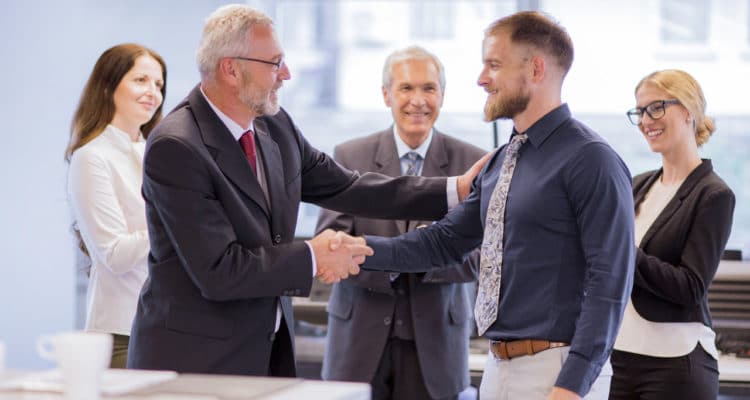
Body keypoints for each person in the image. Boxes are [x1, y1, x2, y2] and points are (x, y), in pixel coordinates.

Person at [126, 4, 485, 377]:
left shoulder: (274, 125)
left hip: (263, 354)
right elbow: (221, 271)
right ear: (231, 69)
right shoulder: (177, 146)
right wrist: (314, 256)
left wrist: (453, 189)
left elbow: (348, 186)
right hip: (191, 365)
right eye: (275, 62)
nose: (286, 74)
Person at [358, 11, 635, 400]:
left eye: (494, 65)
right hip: (498, 367)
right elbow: (443, 241)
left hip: (557, 372)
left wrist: (572, 385)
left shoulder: (591, 160)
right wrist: (357, 252)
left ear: (536, 68)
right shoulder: (505, 158)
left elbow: (609, 282)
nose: (481, 78)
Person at [317, 46, 486, 400]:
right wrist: (395, 261)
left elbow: (480, 256)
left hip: (436, 342)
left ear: (442, 95)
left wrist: (421, 259)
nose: (418, 101)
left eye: (429, 88)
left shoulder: (471, 162)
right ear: (386, 95)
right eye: (406, 88)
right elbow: (330, 241)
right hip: (358, 337)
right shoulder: (351, 156)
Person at [609, 70, 736, 400]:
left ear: (688, 111)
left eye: (656, 107)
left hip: (674, 364)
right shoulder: (637, 184)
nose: (645, 120)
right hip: (618, 357)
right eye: (639, 111)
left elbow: (690, 287)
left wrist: (625, 251)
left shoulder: (713, 194)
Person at [65, 43, 167, 368]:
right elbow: (114, 254)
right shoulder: (92, 157)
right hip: (123, 333)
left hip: (172, 327)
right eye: (141, 80)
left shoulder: (159, 153)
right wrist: (176, 220)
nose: (152, 92)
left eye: (159, 84)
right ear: (108, 85)